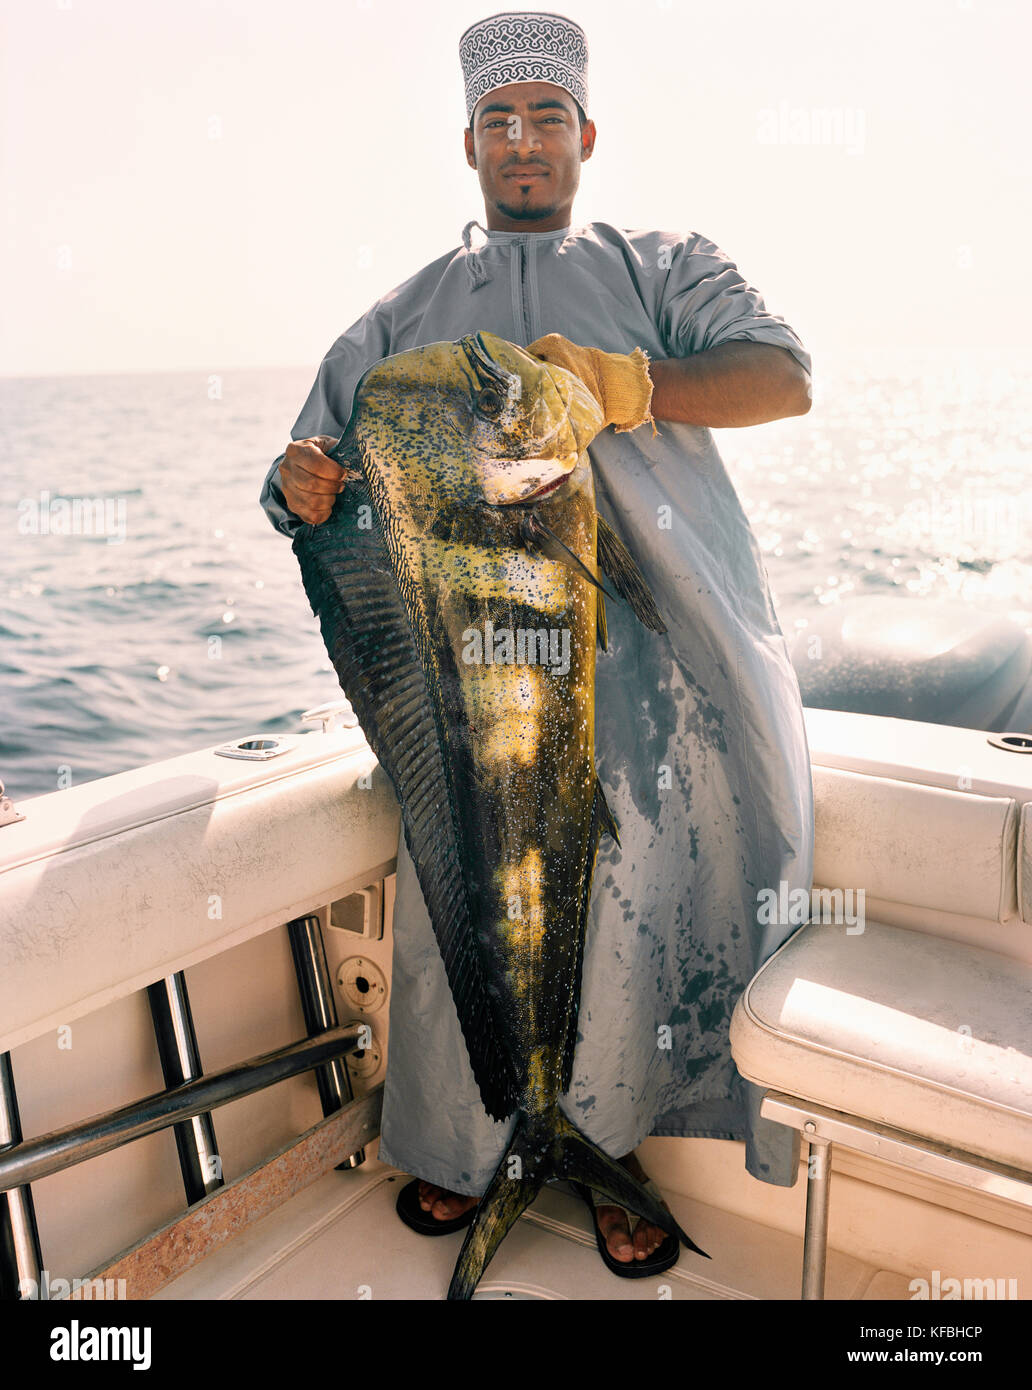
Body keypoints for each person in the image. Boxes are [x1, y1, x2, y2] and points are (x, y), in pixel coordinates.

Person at [260, 10, 815, 1276]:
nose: (523, 142)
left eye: (545, 118)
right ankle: (467, 1154)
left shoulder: (663, 264)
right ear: (467, 145)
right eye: (499, 121)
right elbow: (316, 476)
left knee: (632, 908)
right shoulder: (401, 314)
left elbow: (782, 374)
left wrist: (635, 384)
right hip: (470, 676)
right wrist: (296, 485)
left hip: (656, 682)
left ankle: (605, 1153)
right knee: (461, 897)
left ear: (586, 135)